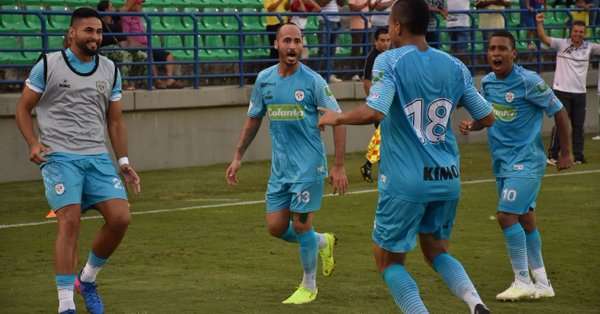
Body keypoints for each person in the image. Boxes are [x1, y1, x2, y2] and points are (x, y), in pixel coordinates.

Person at [318, 0, 494, 312]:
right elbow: (488, 117)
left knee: (388, 261)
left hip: (406, 182)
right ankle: (475, 302)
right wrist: (472, 124)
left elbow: (375, 110)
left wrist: (338, 118)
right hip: (447, 178)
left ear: (398, 26)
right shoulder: (454, 66)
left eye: (389, 22)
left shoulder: (389, 61)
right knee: (436, 251)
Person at [15, 7, 141, 314]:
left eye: (98, 31)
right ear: (72, 33)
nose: (95, 37)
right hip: (59, 157)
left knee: (121, 218)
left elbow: (115, 121)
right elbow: (22, 109)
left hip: (96, 157)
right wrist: (33, 143)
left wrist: (123, 161)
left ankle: (87, 280)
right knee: (69, 222)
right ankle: (66, 305)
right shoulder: (48, 64)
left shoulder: (110, 69)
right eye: (88, 31)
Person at [225, 23, 348, 305]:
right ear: (277, 45)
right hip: (280, 169)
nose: (292, 47)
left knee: (302, 225)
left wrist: (338, 166)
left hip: (309, 167)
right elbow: (254, 118)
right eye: (287, 41)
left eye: (297, 41)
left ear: (302, 45)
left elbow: (338, 120)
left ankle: (309, 285)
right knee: (276, 227)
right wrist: (238, 156)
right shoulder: (264, 80)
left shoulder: (314, 82)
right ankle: (322, 242)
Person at [459, 30, 573, 301]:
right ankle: (543, 283)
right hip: (502, 162)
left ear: (514, 54)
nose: (496, 53)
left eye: (502, 49)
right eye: (492, 48)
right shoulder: (487, 83)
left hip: (526, 162)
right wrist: (472, 125)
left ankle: (522, 280)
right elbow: (488, 117)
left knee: (505, 216)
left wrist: (566, 152)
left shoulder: (528, 81)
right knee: (525, 219)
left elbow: (559, 112)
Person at [536, 13, 600, 164]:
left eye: (581, 32)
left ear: (585, 33)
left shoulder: (590, 47)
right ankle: (552, 155)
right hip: (561, 91)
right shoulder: (561, 44)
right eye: (575, 31)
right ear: (571, 31)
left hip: (580, 93)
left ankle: (578, 156)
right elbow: (544, 38)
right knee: (561, 125)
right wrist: (539, 23)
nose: (578, 34)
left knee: (578, 127)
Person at [121, 0, 183, 89]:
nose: (141, 5)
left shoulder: (140, 17)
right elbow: (128, 38)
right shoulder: (126, 17)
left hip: (146, 46)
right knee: (149, 53)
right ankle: (157, 81)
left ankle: (170, 80)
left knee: (168, 55)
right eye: (138, 3)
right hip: (137, 46)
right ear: (132, 5)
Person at [359, 27, 390, 182]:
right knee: (383, 137)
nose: (385, 44)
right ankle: (374, 165)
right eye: (382, 40)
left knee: (382, 137)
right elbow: (366, 83)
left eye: (388, 40)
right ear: (375, 42)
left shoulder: (389, 56)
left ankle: (370, 165)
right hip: (380, 106)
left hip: (388, 105)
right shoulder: (373, 58)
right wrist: (375, 103)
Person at [97, 0, 145, 90]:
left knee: (141, 55)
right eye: (111, 7)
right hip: (106, 48)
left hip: (120, 47)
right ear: (106, 10)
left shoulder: (115, 18)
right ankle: (124, 83)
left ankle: (135, 81)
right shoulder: (99, 22)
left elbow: (126, 8)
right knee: (126, 55)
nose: (114, 8)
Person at [317, 0, 345, 82]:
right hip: (324, 21)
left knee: (332, 51)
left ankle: (329, 75)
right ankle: (318, 76)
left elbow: (341, 4)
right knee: (323, 50)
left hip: (336, 22)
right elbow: (321, 3)